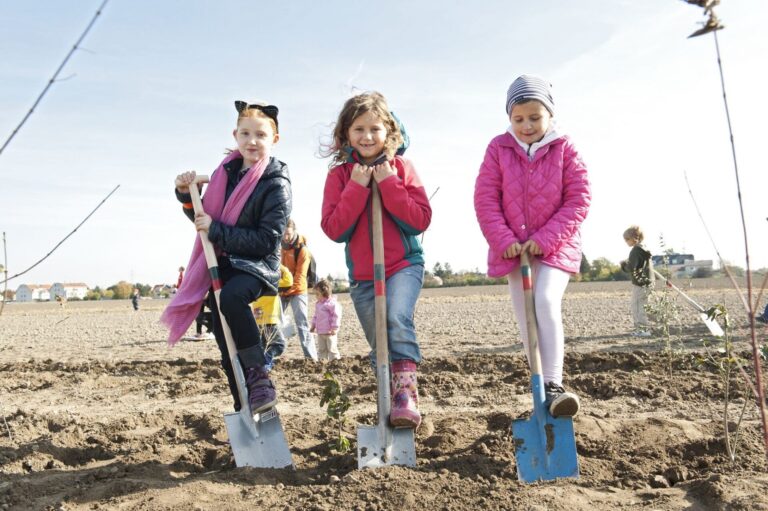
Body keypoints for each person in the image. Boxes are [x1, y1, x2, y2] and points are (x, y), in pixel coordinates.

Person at [161, 100, 291, 417]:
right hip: (222, 265)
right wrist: (184, 193)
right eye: (245, 133)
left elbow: (267, 240)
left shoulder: (276, 182)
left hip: (257, 268)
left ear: (274, 139)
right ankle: (245, 406)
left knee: (231, 299)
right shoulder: (224, 173)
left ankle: (260, 376)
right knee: (226, 345)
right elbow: (202, 219)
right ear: (235, 135)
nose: (252, 141)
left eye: (260, 134)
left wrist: (217, 230)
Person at [474, 75, 591, 418]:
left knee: (544, 300)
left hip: (555, 246)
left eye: (535, 117)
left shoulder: (565, 149)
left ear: (550, 116)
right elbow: (485, 199)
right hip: (513, 250)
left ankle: (555, 384)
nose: (526, 125)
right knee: (527, 317)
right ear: (509, 118)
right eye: (518, 118)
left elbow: (578, 199)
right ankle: (540, 385)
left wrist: (543, 240)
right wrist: (504, 240)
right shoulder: (498, 148)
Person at [320, 91, 432, 429]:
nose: (367, 137)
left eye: (375, 128)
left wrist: (389, 184)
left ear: (390, 132)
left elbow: (419, 220)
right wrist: (356, 187)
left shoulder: (402, 168)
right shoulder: (339, 177)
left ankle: (406, 396)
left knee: (397, 319)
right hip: (364, 275)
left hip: (402, 266)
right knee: (379, 342)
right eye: (358, 129)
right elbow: (334, 229)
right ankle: (389, 402)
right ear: (346, 134)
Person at [280, 219, 318, 361]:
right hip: (281, 289)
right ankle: (274, 355)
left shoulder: (302, 250)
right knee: (274, 321)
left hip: (297, 290)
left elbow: (300, 276)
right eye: (283, 234)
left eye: (288, 234)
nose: (286, 237)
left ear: (294, 231)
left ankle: (311, 358)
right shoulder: (279, 246)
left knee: (301, 323)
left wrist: (287, 290)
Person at [252, 264, 293, 368]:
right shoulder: (272, 283)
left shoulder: (254, 283)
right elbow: (289, 281)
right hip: (270, 320)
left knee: (263, 346)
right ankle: (266, 362)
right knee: (279, 345)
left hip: (258, 319)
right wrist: (280, 265)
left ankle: (263, 366)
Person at [620, 225, 653, 337]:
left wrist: (623, 264)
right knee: (643, 305)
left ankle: (643, 330)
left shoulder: (636, 250)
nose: (626, 242)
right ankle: (643, 329)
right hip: (648, 282)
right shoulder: (644, 248)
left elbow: (631, 268)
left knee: (638, 306)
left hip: (640, 283)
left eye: (627, 239)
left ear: (635, 238)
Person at [310, 279, 342, 361]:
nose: (316, 296)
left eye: (317, 294)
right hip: (320, 332)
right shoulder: (318, 304)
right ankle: (322, 362)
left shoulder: (332, 304)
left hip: (330, 332)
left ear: (325, 293)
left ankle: (335, 362)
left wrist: (335, 328)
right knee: (322, 349)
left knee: (332, 349)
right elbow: (316, 316)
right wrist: (313, 325)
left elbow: (336, 316)